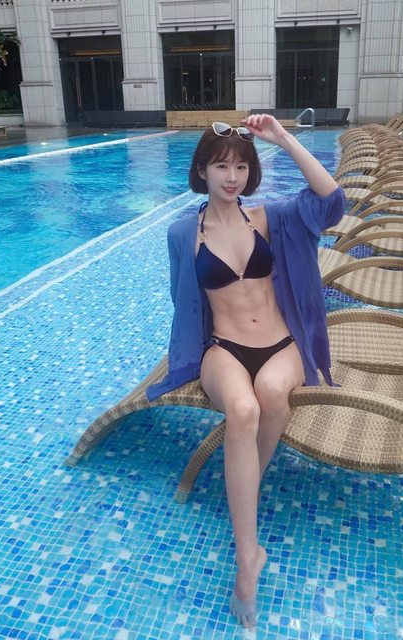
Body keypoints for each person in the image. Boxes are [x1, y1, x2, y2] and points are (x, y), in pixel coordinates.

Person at [147, 114, 345, 628]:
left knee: (273, 392)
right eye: (221, 166)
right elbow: (185, 301)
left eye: (240, 166)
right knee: (242, 409)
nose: (232, 176)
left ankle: (244, 493)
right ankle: (247, 555)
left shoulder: (271, 217)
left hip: (280, 344)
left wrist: (283, 138)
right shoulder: (181, 233)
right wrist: (189, 354)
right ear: (202, 171)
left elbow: (332, 203)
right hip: (224, 347)